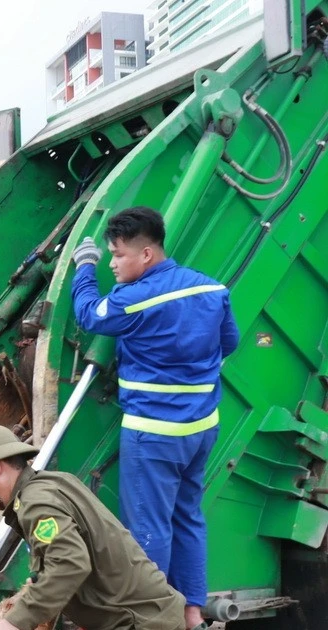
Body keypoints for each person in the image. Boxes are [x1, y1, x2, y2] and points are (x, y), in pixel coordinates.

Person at [70, 207, 238, 629]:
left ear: (146, 254)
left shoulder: (138, 297)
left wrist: (85, 267)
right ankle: (192, 613)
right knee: (188, 517)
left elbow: (90, 314)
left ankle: (153, 620)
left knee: (148, 531)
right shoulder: (212, 289)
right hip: (201, 430)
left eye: (117, 255)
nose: (112, 262)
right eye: (107, 255)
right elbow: (229, 343)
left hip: (154, 435)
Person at [0, 425, 188, 630]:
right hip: (145, 616)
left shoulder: (36, 503)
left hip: (141, 622)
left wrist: (14, 621)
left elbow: (70, 562)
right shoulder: (51, 484)